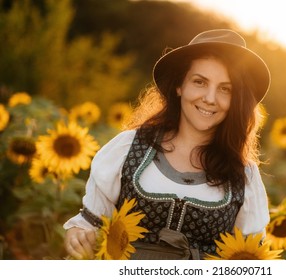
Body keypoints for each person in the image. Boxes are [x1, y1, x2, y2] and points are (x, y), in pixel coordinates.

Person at [63, 29, 271, 260]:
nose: (210, 98)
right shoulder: (129, 148)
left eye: (225, 89)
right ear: (180, 86)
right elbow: (88, 224)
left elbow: (251, 257)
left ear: (236, 100)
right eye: (200, 82)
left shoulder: (243, 176)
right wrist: (77, 235)